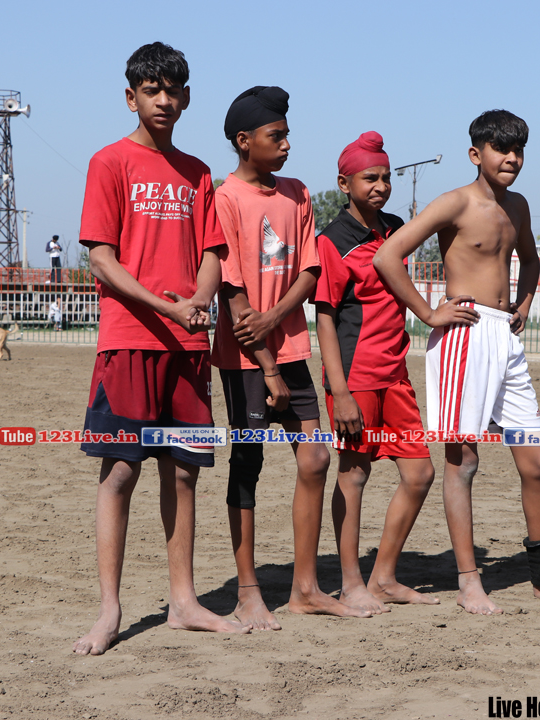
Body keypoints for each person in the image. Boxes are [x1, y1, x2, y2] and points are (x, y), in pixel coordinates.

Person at [374, 110, 540, 614]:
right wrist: (429, 313)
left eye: (518, 149)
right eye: (501, 148)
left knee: (537, 461)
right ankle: (469, 580)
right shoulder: (455, 202)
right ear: (476, 154)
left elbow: (531, 259)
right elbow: (387, 256)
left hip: (505, 337)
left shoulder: (518, 206)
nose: (511, 157)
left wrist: (524, 302)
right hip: (463, 334)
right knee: (464, 460)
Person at [72, 42, 248, 657]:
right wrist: (165, 306)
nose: (163, 100)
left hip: (187, 345)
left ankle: (184, 602)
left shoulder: (198, 172)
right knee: (120, 471)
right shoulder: (109, 162)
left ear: (187, 97)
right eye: (152, 90)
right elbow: (101, 259)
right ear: (132, 97)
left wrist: (198, 299)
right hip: (129, 341)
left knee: (183, 472)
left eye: (173, 90)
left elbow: (213, 252)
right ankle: (109, 609)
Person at [213, 86, 368, 628]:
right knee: (247, 463)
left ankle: (305, 588)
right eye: (275, 136)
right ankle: (248, 591)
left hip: (292, 348)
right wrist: (268, 366)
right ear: (244, 140)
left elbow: (309, 270)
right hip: (245, 360)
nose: (285, 144)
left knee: (315, 459)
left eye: (286, 135)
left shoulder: (298, 193)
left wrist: (276, 319)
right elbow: (234, 294)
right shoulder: (225, 198)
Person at [314, 132, 437, 615]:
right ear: (344, 183)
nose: (381, 186)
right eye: (370, 178)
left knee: (420, 473)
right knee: (354, 474)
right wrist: (340, 391)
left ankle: (383, 577)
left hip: (396, 376)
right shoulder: (331, 240)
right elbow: (325, 318)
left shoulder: (396, 229)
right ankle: (351, 584)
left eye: (386, 177)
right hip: (356, 378)